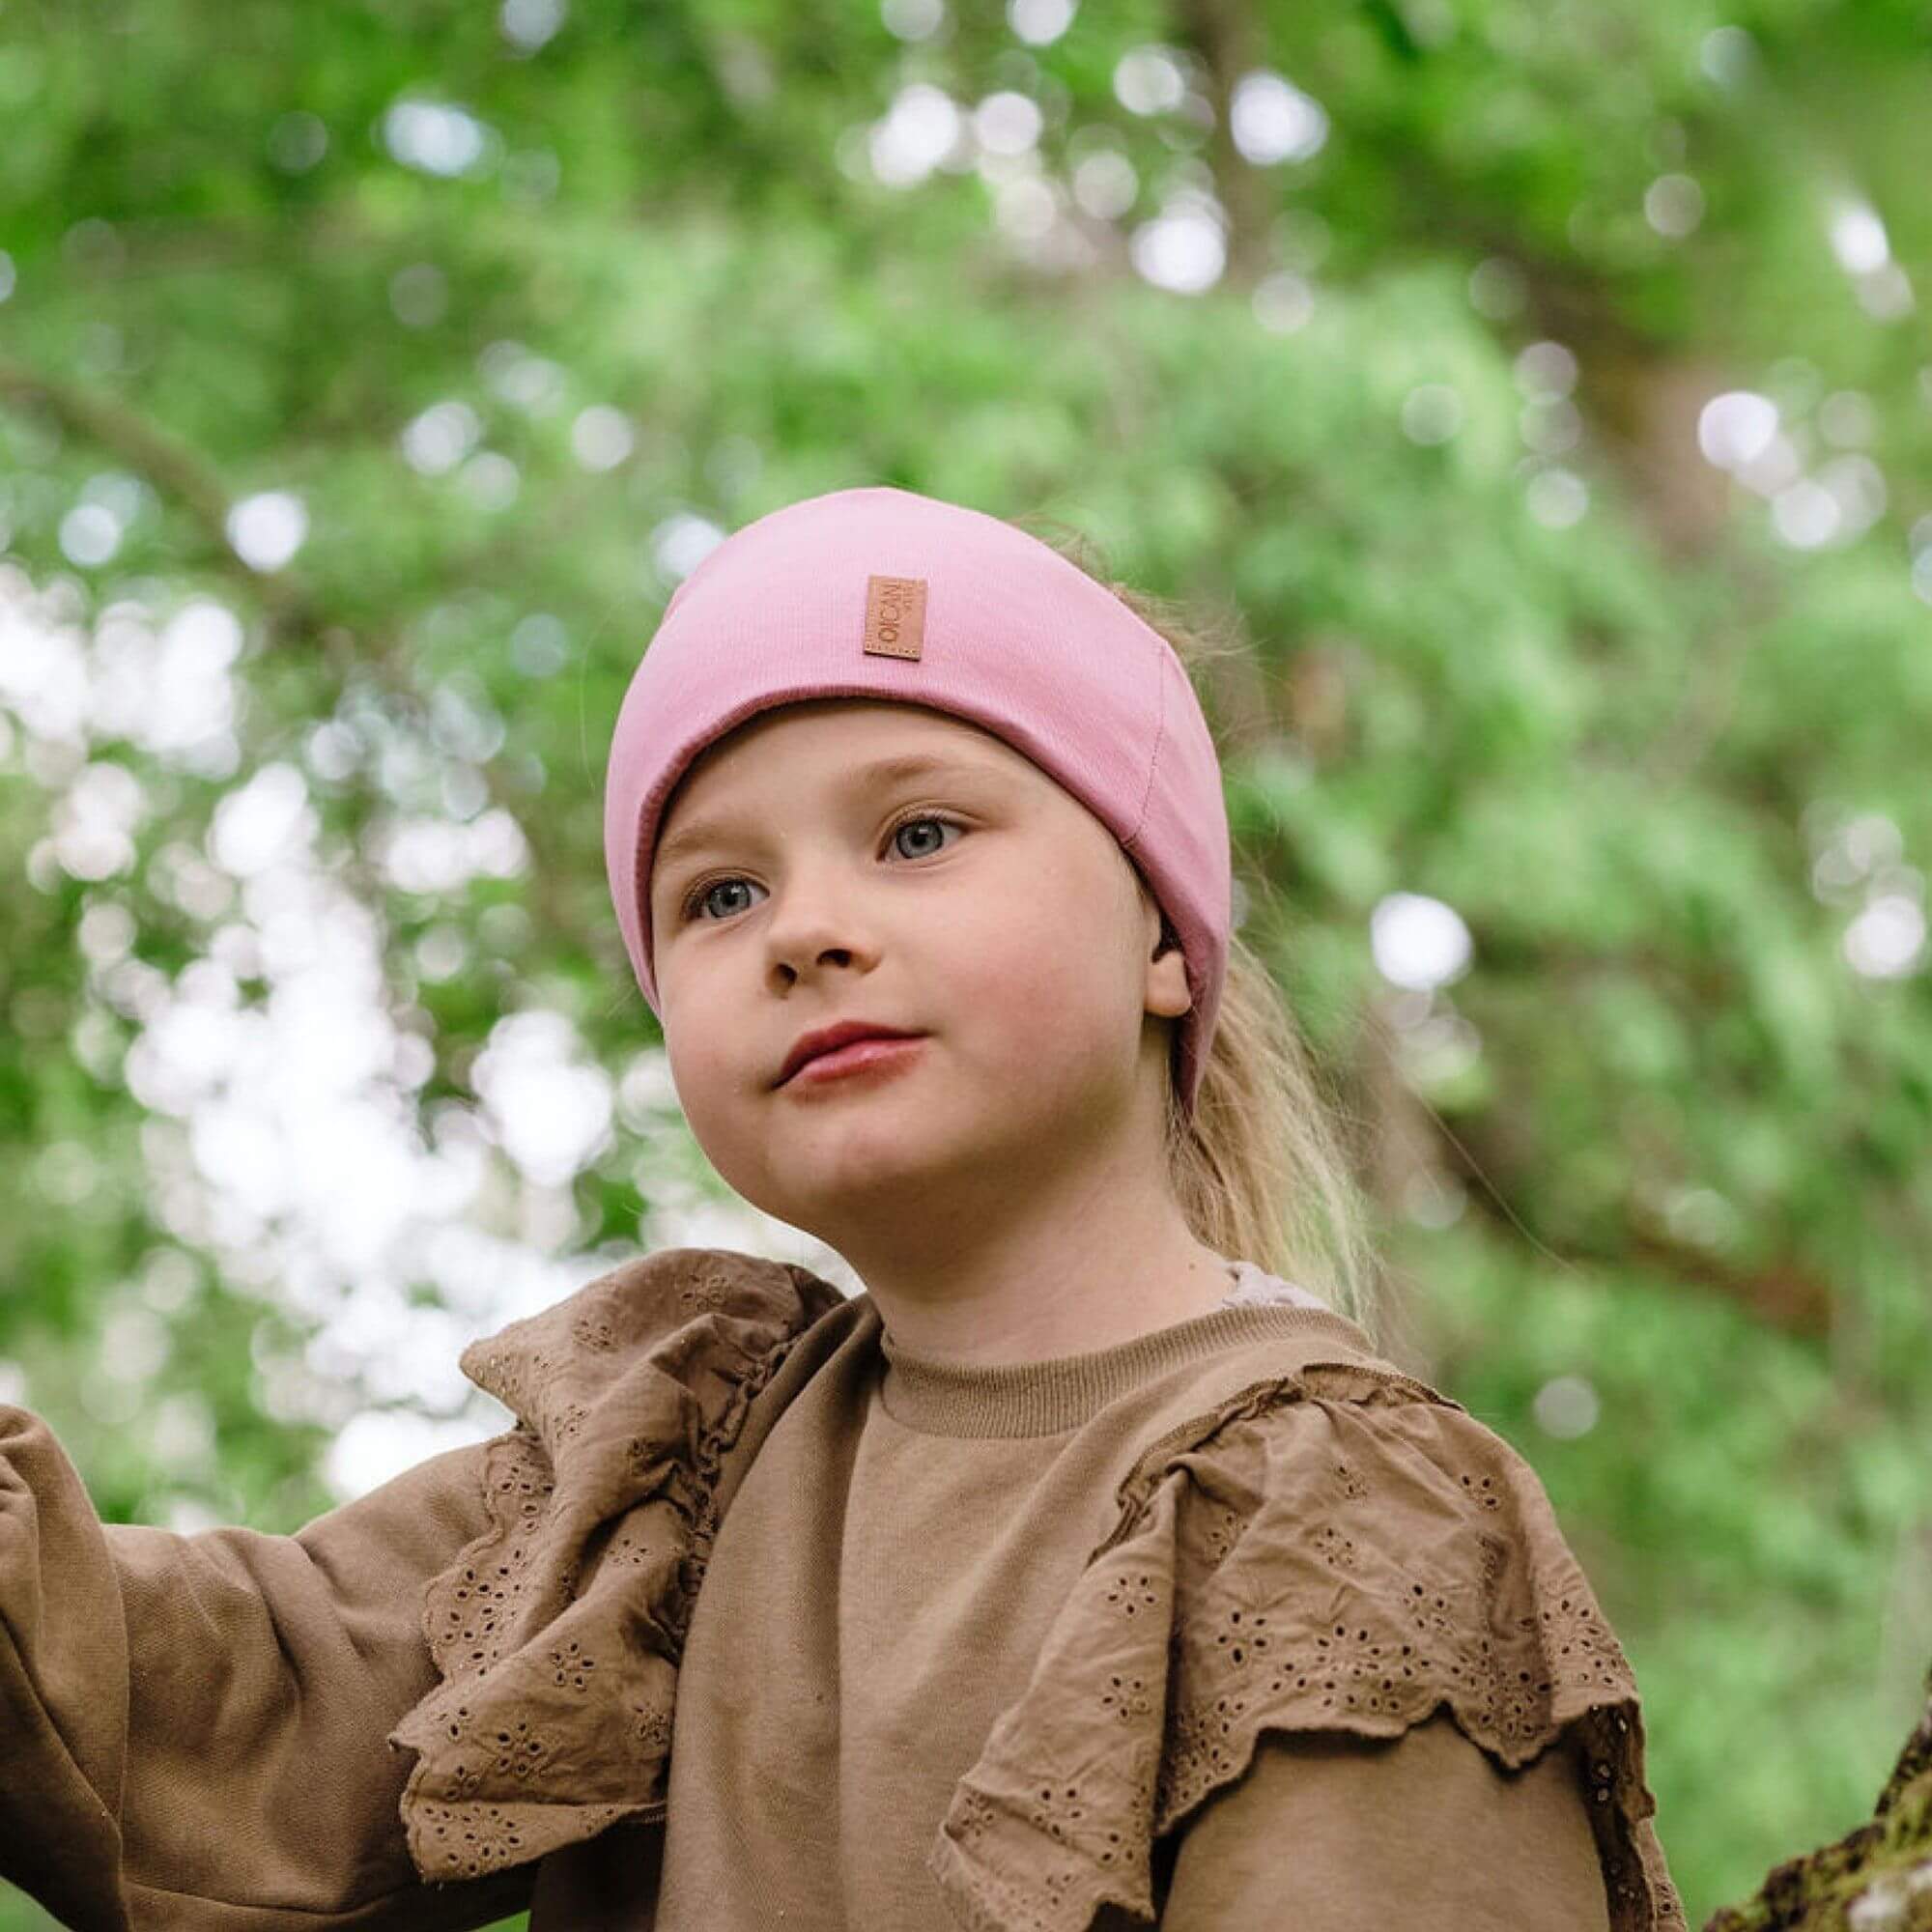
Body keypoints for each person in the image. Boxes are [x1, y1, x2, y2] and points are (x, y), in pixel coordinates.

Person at [1, 485, 1687, 1930]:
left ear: (1164, 940)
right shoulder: (677, 1455)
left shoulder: (1342, 1512)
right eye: (721, 892)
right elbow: (222, 1712)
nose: (805, 931)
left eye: (918, 833)